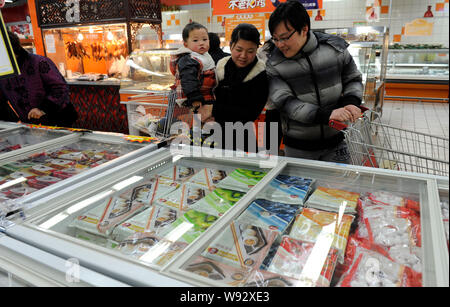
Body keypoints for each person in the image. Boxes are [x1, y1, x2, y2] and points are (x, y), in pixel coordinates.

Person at [266, 0, 363, 163]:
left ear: (304, 29)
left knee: (338, 188)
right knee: (299, 188)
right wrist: (327, 115)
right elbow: (286, 102)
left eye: (284, 38)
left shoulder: (334, 49)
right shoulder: (275, 64)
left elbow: (353, 78)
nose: (280, 45)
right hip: (298, 149)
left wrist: (352, 102)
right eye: (275, 39)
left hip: (337, 141)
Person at [206, 23, 269, 153]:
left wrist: (213, 109)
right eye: (239, 50)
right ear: (231, 45)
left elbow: (249, 113)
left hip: (243, 138)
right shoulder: (221, 66)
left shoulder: (261, 73)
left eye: (250, 51)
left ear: (257, 49)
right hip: (214, 134)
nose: (243, 56)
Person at [0, 31, 78, 127]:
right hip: (28, 125)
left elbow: (60, 88)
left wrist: (42, 109)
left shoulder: (39, 62)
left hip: (57, 119)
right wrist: (12, 123)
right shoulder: (3, 70)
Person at [170, 22, 216, 120]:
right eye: (195, 40)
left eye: (205, 39)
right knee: (195, 124)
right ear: (186, 44)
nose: (201, 43)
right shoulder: (189, 59)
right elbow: (188, 79)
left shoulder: (204, 55)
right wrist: (194, 97)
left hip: (204, 97)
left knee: (204, 123)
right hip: (193, 100)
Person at [257, 39, 283, 155]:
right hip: (284, 105)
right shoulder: (264, 51)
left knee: (269, 147)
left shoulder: (261, 52)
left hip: (272, 104)